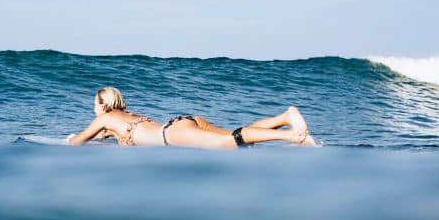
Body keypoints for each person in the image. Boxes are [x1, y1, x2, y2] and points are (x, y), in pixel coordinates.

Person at [67, 86, 316, 149]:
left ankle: (292, 136)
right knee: (235, 137)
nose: (94, 110)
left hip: (172, 134)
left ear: (102, 105)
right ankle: (285, 116)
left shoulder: (105, 119)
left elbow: (78, 142)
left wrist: (71, 139)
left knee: (231, 143)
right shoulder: (126, 117)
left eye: (94, 105)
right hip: (183, 121)